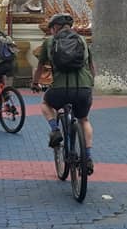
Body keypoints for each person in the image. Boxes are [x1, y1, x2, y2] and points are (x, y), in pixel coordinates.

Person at [32, 12, 96, 175]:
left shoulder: (49, 42)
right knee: (84, 120)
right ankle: (87, 157)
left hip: (59, 90)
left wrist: (34, 83)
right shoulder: (82, 40)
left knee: (46, 103)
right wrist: (90, 85)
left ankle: (55, 130)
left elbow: (40, 67)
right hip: (83, 89)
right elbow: (91, 67)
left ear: (55, 28)